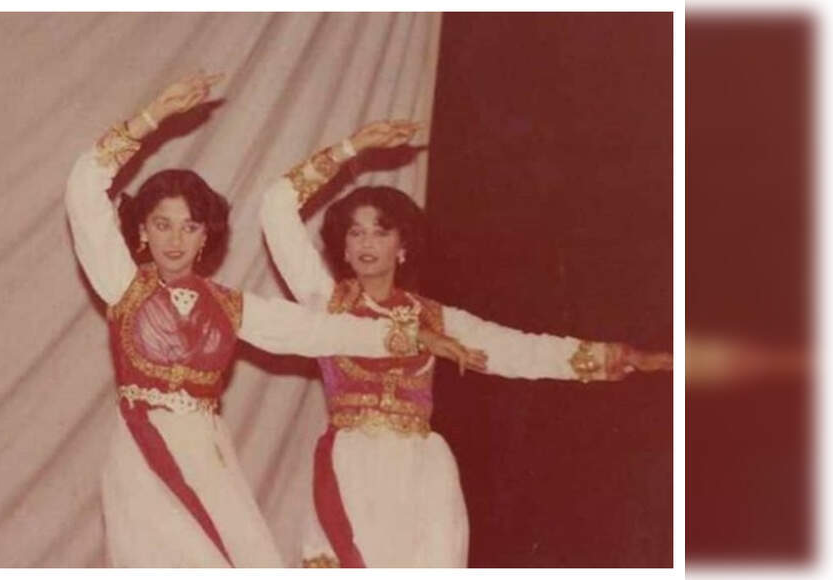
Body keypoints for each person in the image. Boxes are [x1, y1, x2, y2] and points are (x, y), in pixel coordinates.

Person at [259, 119, 673, 567]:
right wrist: (351, 146)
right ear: (342, 247)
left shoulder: (438, 319)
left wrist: (618, 357)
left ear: (403, 245)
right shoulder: (326, 302)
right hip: (351, 469)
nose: (366, 243)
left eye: (380, 231)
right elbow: (275, 208)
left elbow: (518, 349)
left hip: (422, 473)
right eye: (355, 232)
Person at [66, 78, 434, 567]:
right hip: (140, 458)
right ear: (142, 231)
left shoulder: (227, 305)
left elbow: (314, 330)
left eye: (190, 226)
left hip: (208, 456)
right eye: (162, 224)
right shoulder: (122, 284)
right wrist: (149, 118)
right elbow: (83, 189)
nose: (175, 240)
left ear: (205, 236)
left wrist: (408, 334)